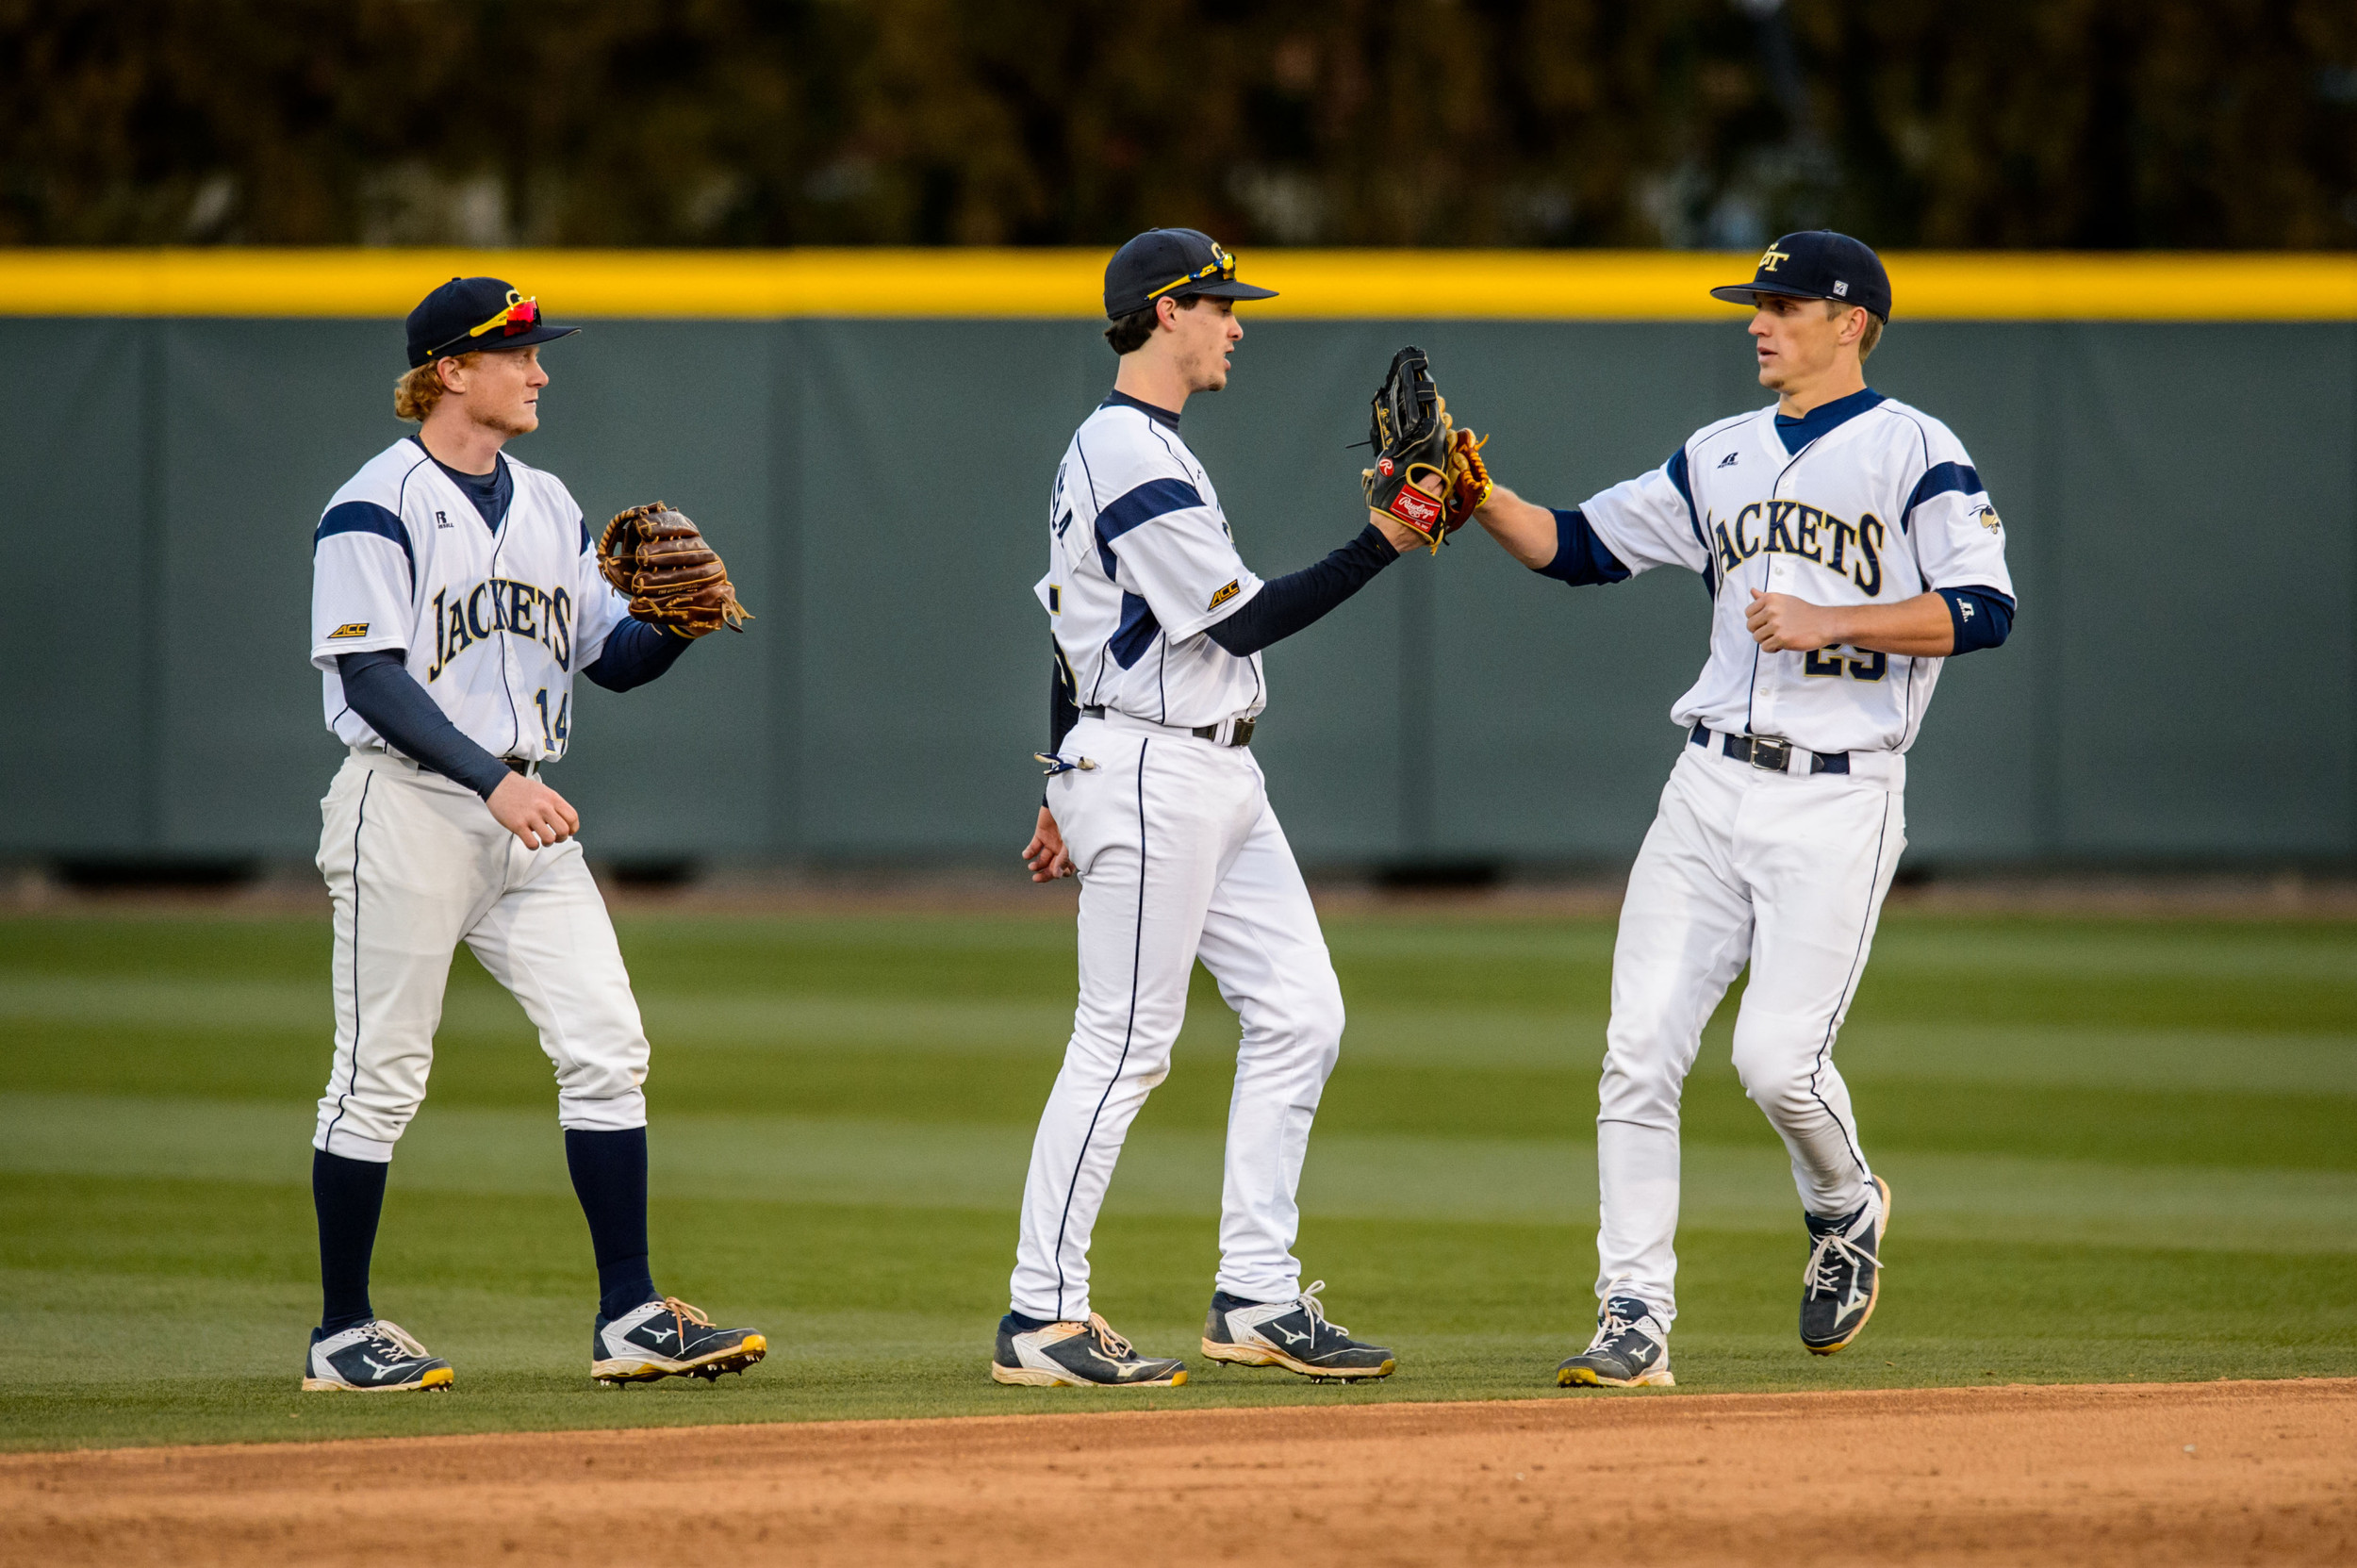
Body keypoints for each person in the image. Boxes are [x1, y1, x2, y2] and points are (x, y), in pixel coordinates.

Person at [1466, 232, 2016, 1387]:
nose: (1758, 321)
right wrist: (1479, 498)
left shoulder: (1916, 449)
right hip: (1707, 785)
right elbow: (1578, 546)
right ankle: (1632, 1313)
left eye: (1783, 304)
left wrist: (1832, 619)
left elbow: (1984, 608)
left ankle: (1844, 1202)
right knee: (1636, 1053)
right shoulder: (1717, 453)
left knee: (1775, 1065)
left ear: (1850, 323)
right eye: (1754, 304)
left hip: (1840, 796)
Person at [301, 275, 764, 1392]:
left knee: (607, 1047)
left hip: (525, 816)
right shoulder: (374, 504)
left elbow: (612, 661)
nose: (539, 371)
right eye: (516, 355)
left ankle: (629, 1315)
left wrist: (681, 622)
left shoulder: (549, 503)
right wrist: (489, 783)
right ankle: (340, 1331)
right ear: (451, 370)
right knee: (378, 1075)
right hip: (406, 806)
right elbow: (369, 677)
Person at [994, 230, 1429, 1388]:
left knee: (1301, 1013)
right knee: (1124, 1042)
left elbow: (1067, 622)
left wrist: (1056, 773)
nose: (1236, 324)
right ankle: (1040, 1313)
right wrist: (1384, 541)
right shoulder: (1123, 449)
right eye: (1221, 304)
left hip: (1204, 770)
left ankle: (1256, 1295)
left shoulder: (1142, 448)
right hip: (1153, 770)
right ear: (1165, 312)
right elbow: (1240, 619)